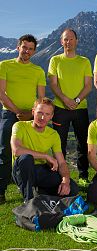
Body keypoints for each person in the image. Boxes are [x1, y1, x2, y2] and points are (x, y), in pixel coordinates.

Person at [0, 34, 46, 204]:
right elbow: (1, 93)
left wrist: (32, 113)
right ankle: (1, 190)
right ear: (18, 47)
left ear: (34, 51)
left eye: (30, 49)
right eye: (24, 47)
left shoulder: (38, 71)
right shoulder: (4, 65)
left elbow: (41, 98)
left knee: (30, 152)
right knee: (4, 151)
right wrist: (18, 111)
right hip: (9, 114)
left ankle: (31, 187)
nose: (26, 51)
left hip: (31, 116)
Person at [11, 98, 78, 202]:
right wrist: (46, 156)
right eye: (39, 113)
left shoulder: (53, 134)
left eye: (47, 114)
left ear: (51, 116)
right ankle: (28, 201)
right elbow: (17, 151)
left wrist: (66, 180)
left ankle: (42, 193)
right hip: (21, 170)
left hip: (41, 170)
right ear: (33, 112)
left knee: (72, 189)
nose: (42, 117)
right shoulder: (20, 126)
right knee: (26, 158)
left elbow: (62, 162)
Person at [48, 28, 92, 184]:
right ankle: (59, 176)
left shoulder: (84, 61)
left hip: (80, 108)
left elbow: (88, 85)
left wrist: (77, 100)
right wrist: (65, 100)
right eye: (65, 39)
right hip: (60, 108)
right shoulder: (55, 60)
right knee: (59, 144)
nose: (68, 42)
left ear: (76, 41)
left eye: (71, 39)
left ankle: (83, 176)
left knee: (83, 142)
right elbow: (53, 84)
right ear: (61, 42)